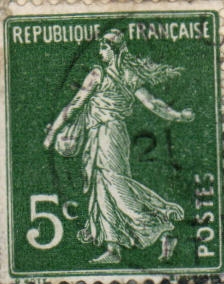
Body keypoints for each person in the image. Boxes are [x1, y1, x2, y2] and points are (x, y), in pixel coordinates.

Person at [44, 29, 194, 265]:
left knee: (115, 185)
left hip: (110, 133)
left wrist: (53, 132)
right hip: (99, 134)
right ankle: (113, 248)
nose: (101, 52)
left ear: (114, 50)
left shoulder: (104, 74)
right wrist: (178, 116)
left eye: (104, 48)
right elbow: (152, 104)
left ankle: (163, 229)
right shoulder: (121, 73)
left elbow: (75, 105)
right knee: (101, 188)